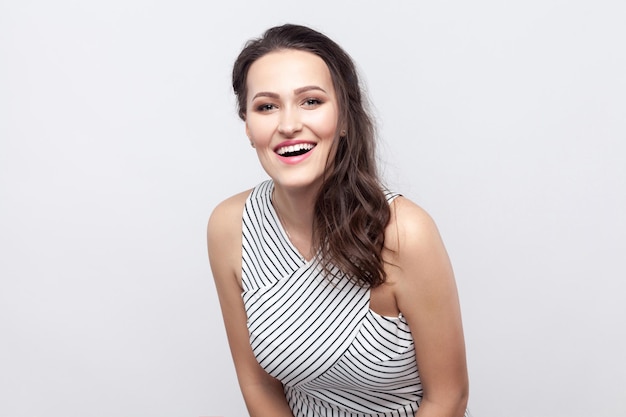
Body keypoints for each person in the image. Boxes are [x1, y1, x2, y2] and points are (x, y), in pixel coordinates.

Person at [207, 23, 470, 417]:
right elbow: (258, 384)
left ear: (345, 118)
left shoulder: (404, 232)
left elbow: (448, 398)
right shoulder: (230, 228)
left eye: (310, 101)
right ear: (247, 126)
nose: (289, 124)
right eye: (266, 106)